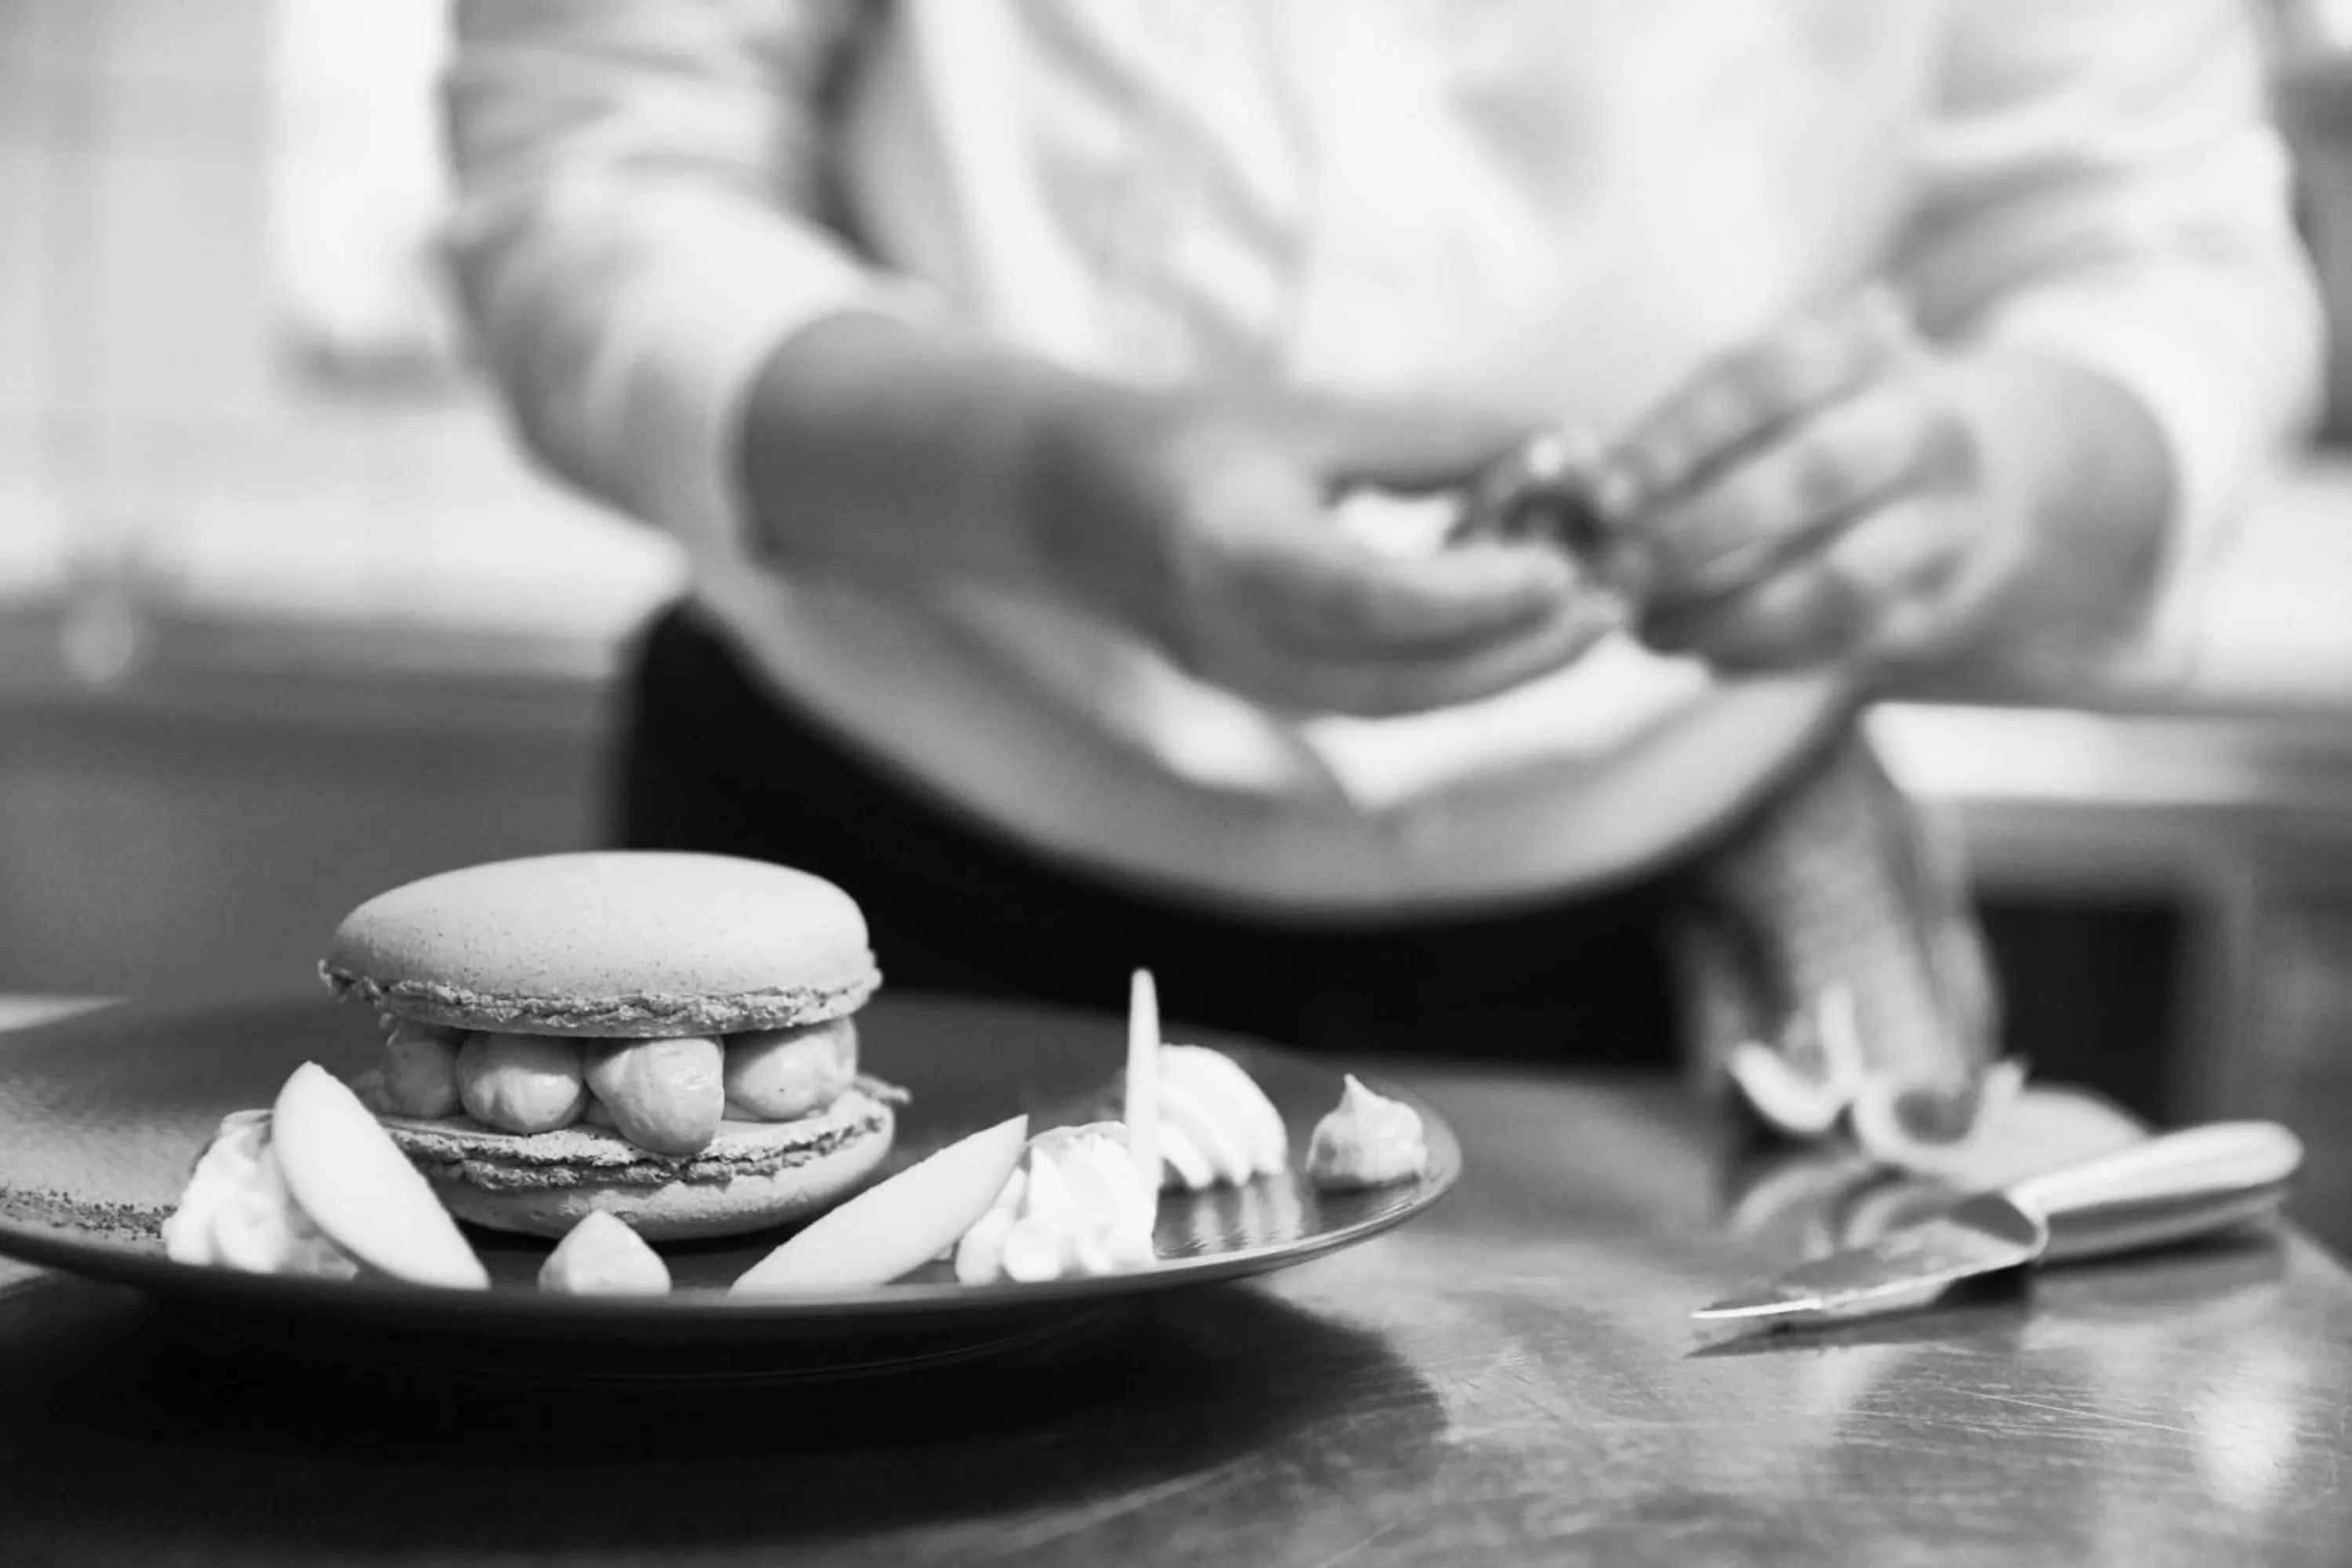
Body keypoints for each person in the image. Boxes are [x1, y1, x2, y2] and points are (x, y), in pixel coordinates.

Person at [437, 1, 2318, 1098]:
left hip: (1676, 947)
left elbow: (2162, 263)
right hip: (872, 894)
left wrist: (1979, 471)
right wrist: (1045, 482)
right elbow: (598, 170)